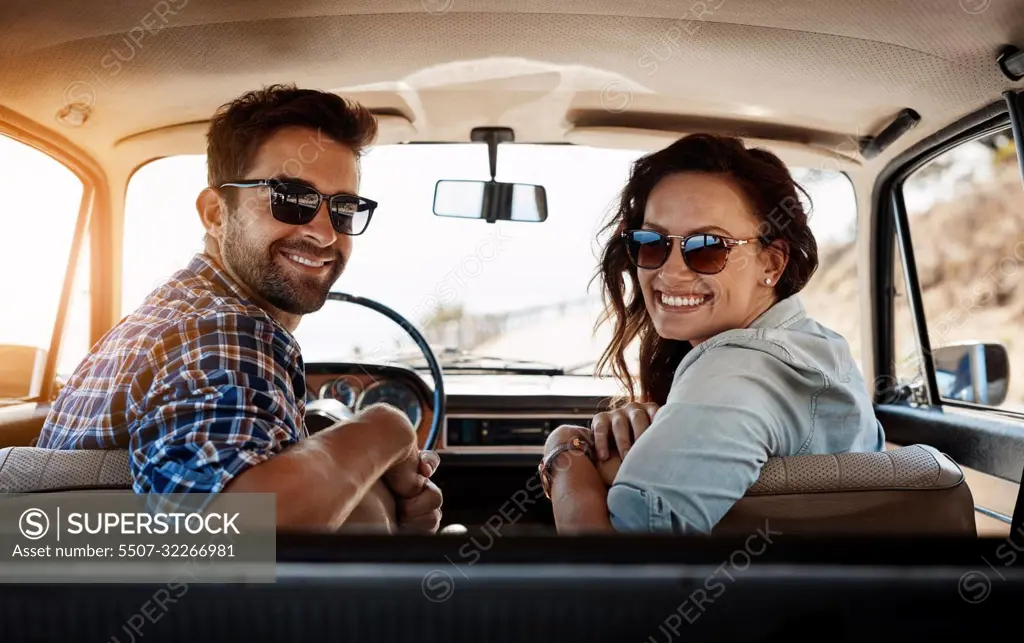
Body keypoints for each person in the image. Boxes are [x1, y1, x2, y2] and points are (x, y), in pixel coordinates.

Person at [38, 84, 442, 533]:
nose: (326, 233)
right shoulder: (221, 328)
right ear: (215, 213)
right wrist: (387, 427)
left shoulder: (175, 312)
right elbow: (235, 531)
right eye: (291, 199)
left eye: (343, 209)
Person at [539, 133, 885, 534]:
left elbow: (611, 576)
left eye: (707, 248)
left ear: (771, 262)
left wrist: (564, 449)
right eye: (651, 243)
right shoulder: (821, 348)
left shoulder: (738, 370)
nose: (668, 272)